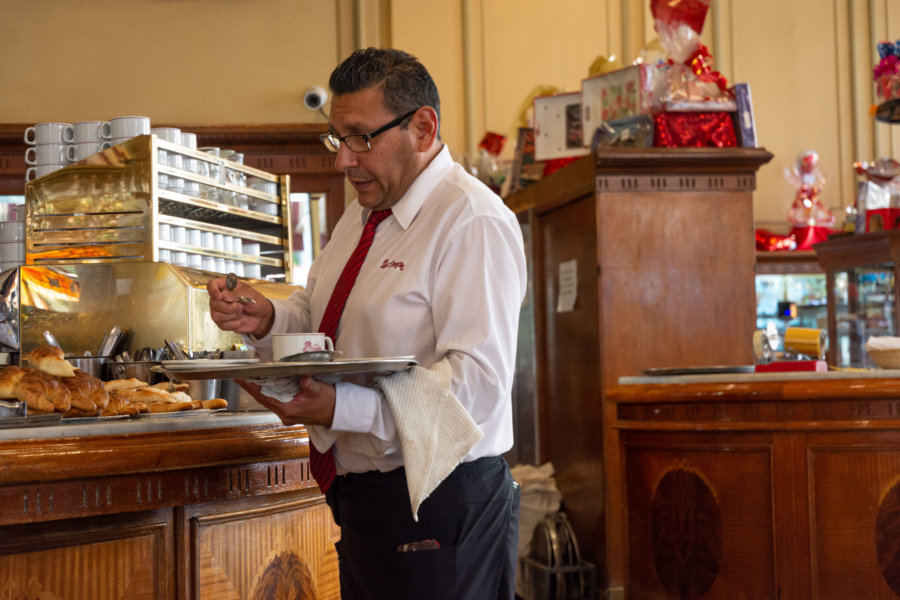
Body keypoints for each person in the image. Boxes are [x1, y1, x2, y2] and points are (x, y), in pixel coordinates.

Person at [207, 47, 526, 600]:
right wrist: (268, 318)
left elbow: (478, 391)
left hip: (441, 503)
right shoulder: (361, 214)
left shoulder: (471, 221)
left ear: (423, 127)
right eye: (336, 138)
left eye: (360, 137)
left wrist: (341, 409)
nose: (343, 161)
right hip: (368, 501)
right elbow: (324, 320)